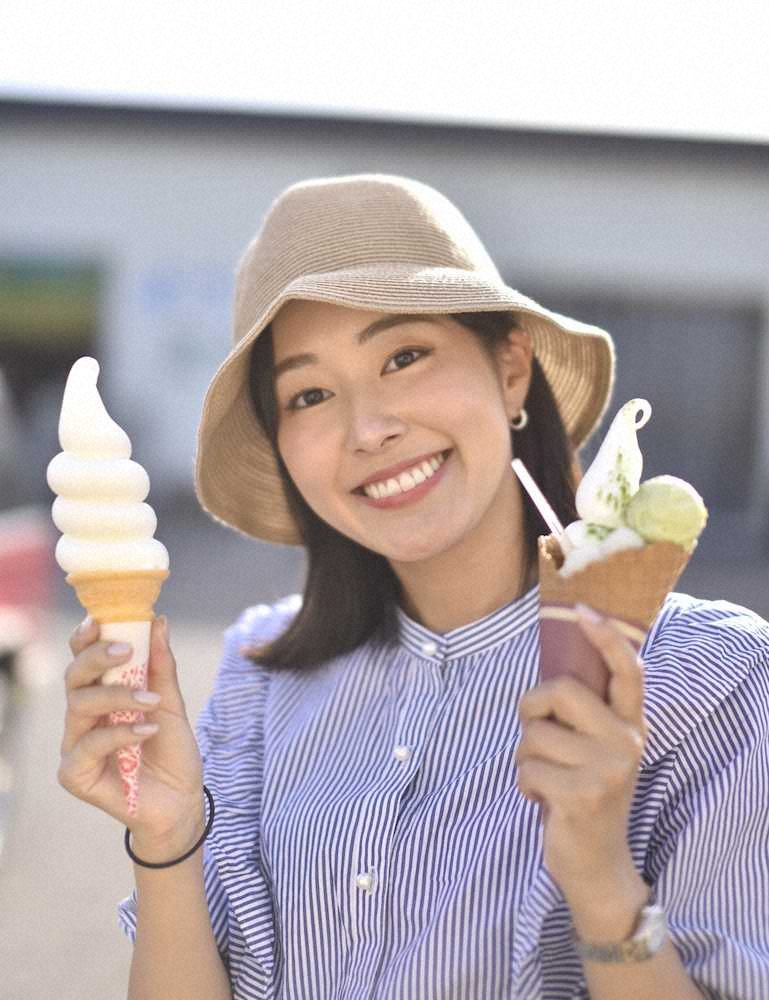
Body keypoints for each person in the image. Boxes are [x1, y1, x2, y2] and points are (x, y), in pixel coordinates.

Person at [58, 175, 769, 1000]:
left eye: (404, 356)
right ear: (284, 442)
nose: (368, 430)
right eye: (311, 393)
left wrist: (601, 883)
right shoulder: (257, 677)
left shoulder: (718, 681)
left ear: (509, 368)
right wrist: (170, 835)